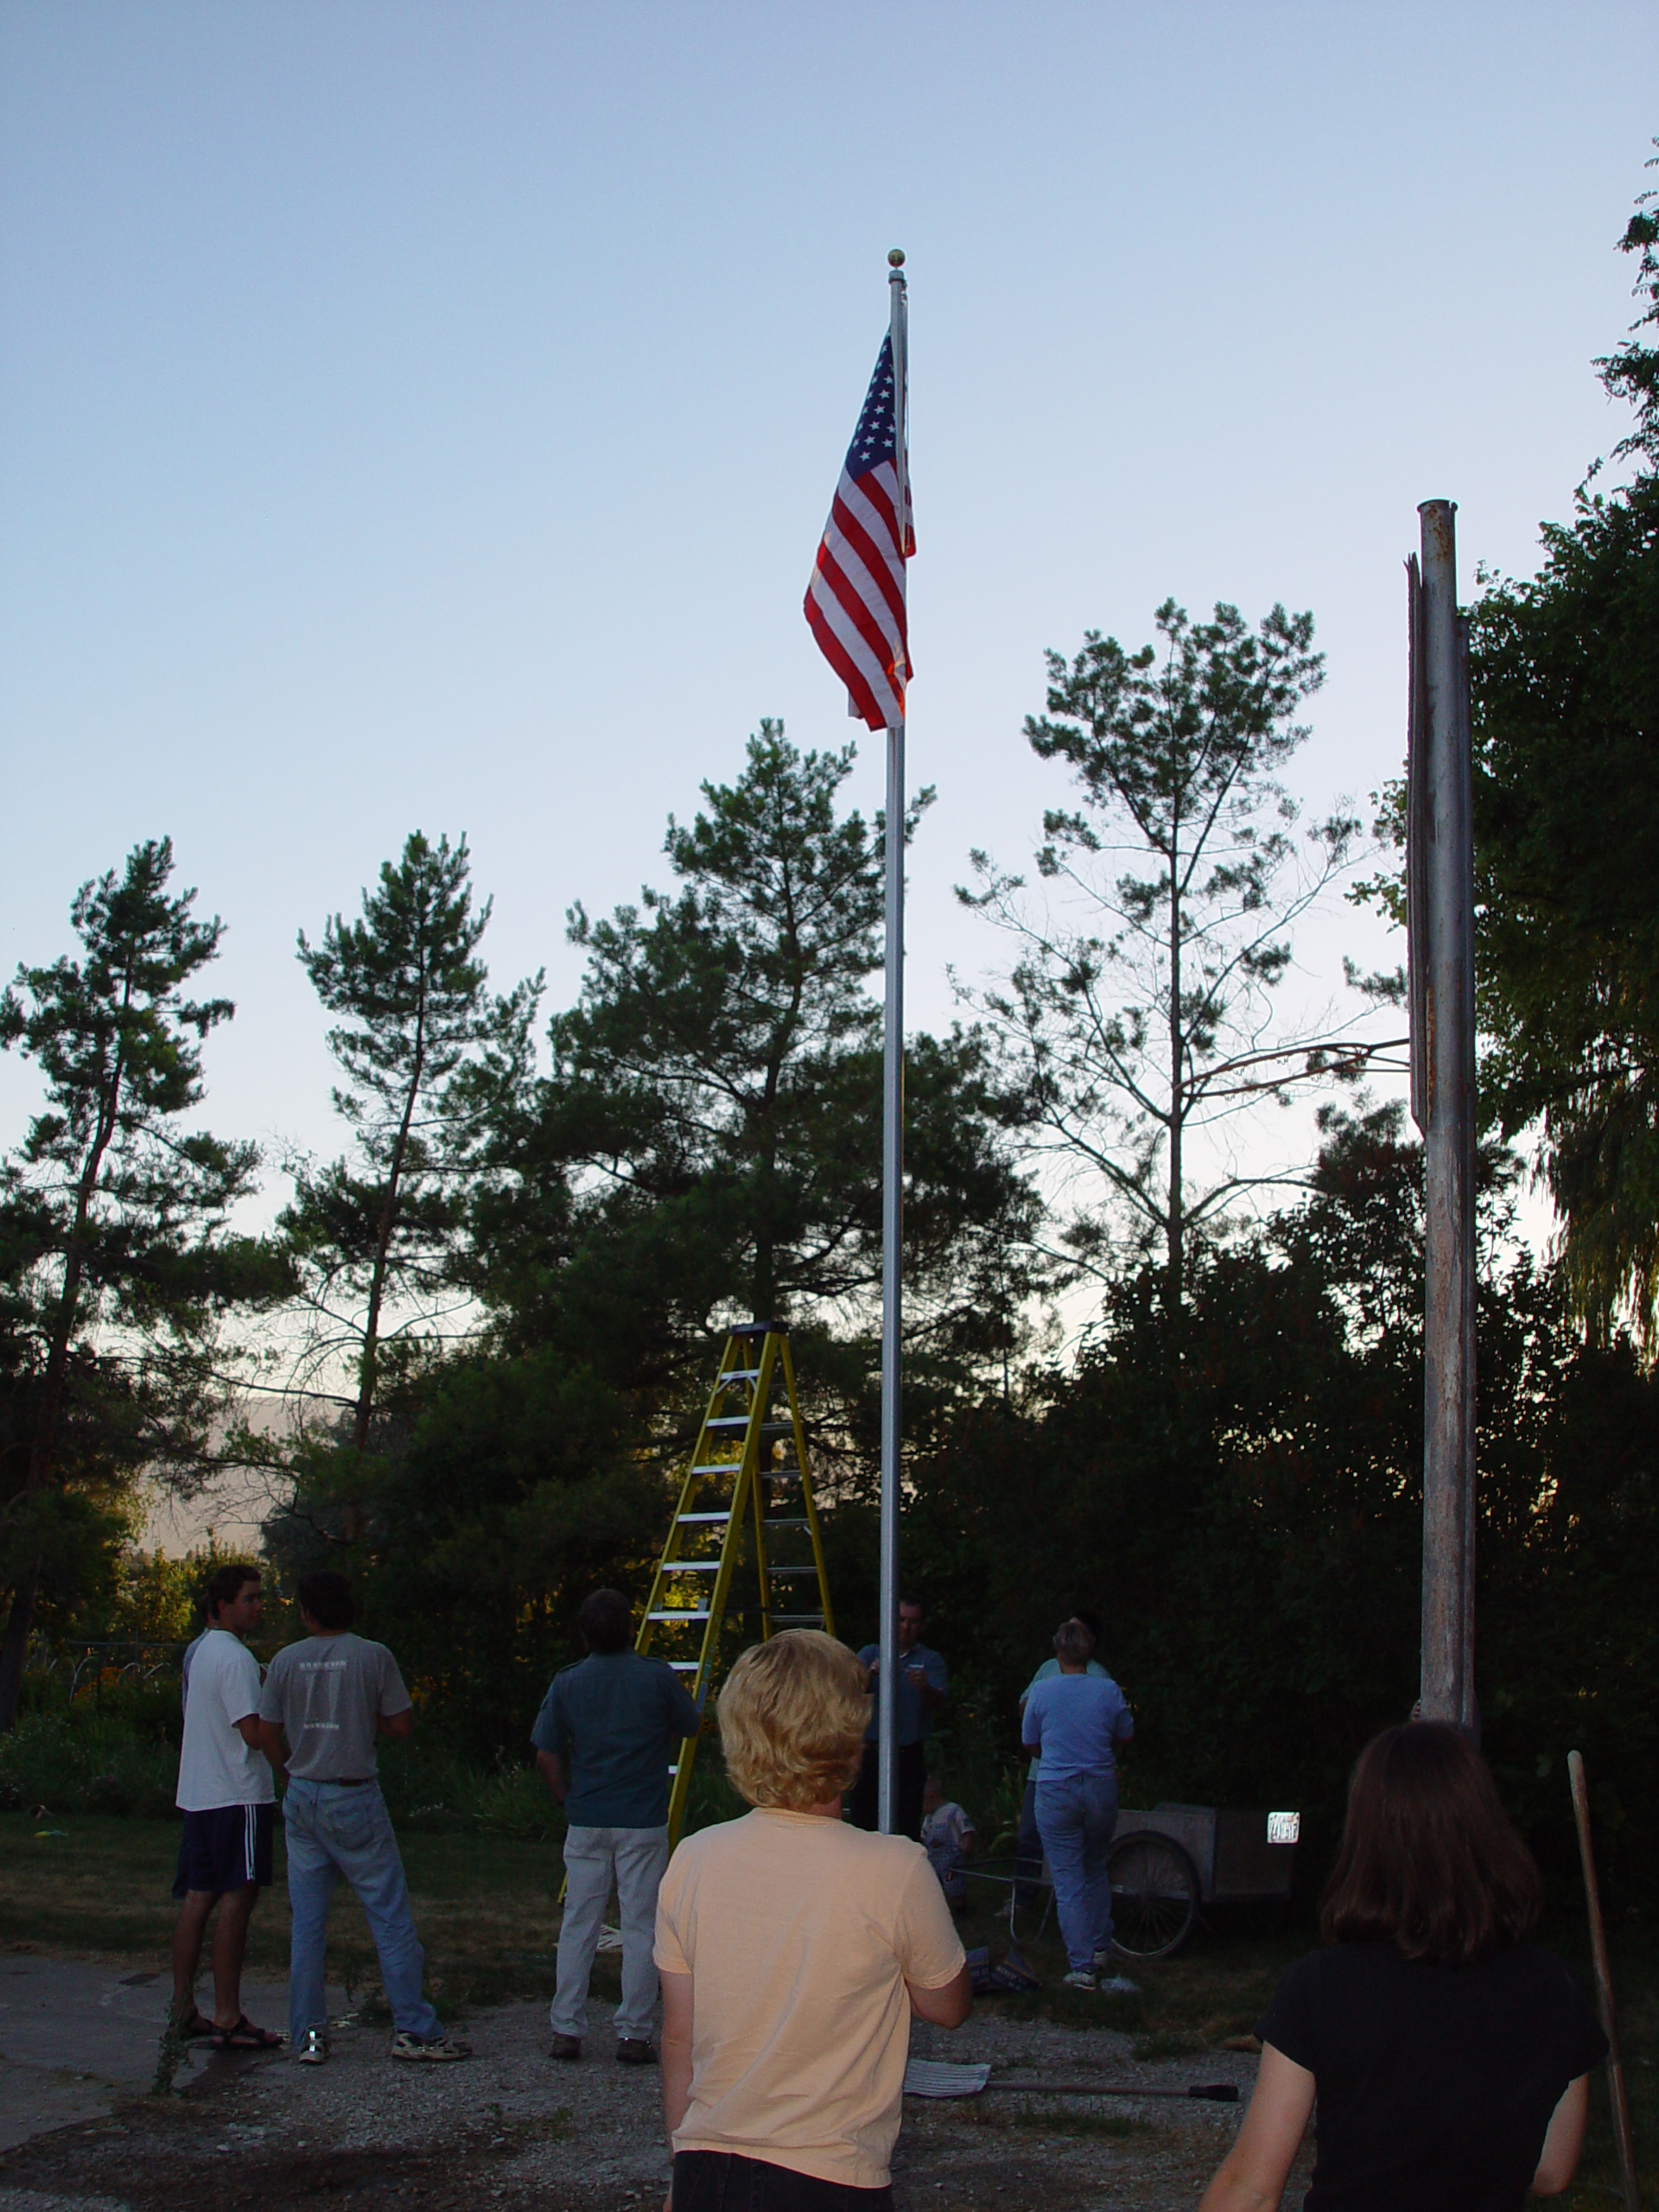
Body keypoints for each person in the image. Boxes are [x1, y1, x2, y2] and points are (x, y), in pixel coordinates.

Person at [1199, 1723, 1607, 2212]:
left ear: (1366, 1837)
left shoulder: (1321, 1988)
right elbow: (1550, 2170)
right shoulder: (1553, 1987)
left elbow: (1253, 2190)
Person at [655, 1629, 973, 2209]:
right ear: (851, 1744)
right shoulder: (894, 1868)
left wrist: (681, 2169)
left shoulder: (693, 1858)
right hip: (829, 2177)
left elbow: (679, 2033)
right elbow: (947, 2006)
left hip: (705, 2167)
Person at [257, 1569, 465, 2065]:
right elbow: (401, 1726)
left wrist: (288, 1772)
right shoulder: (372, 1655)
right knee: (389, 1917)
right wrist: (360, 1711)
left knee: (307, 1926)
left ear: (307, 1612)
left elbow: (266, 1730)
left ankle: (308, 2037)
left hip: (303, 1795)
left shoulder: (285, 1660)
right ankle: (414, 2029)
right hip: (354, 1796)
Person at [531, 1587, 702, 2065]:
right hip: (642, 1819)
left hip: (587, 1817)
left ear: (584, 1634)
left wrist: (567, 1798)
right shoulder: (656, 1677)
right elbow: (690, 1724)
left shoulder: (568, 1683)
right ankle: (633, 2032)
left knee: (578, 1923)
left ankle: (566, 2027)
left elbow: (546, 1752)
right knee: (642, 1925)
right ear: (631, 1628)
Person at [170, 1563, 283, 2051]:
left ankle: (182, 2010)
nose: (259, 1606)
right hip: (237, 1795)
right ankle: (227, 2014)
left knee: (199, 1898)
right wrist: (290, 1744)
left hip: (199, 1793)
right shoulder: (236, 1659)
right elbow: (254, 1734)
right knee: (239, 1897)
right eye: (251, 1598)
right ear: (223, 1605)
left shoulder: (198, 1652)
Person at [1020, 1616, 1135, 1993]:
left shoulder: (1042, 1691)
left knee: (1067, 1877)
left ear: (1058, 1652)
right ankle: (1102, 1947)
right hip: (1100, 1786)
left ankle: (1082, 1967)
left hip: (1055, 1787)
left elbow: (1030, 1743)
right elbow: (1126, 1734)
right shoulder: (1107, 1690)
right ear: (1089, 1651)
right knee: (1095, 1865)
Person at [1014, 1609, 1108, 1906]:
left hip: (1081, 1777)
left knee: (1080, 1847)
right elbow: (1025, 1710)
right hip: (1041, 1772)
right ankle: (1023, 1899)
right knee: (1029, 1836)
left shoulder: (1099, 1679)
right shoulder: (1047, 1670)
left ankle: (1076, 1905)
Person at [849, 1595, 947, 1840]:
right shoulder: (870, 1653)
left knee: (906, 1826)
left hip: (908, 1756)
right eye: (901, 1620)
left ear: (921, 1626)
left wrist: (925, 1687)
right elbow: (847, 1695)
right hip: (871, 1754)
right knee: (862, 1825)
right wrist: (869, 1676)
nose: (906, 1627)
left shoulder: (930, 1661)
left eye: (913, 1622)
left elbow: (940, 1702)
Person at [919, 1776, 976, 1907]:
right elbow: (924, 1836)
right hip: (934, 1858)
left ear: (932, 1797)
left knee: (953, 1882)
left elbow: (967, 1829)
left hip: (951, 1858)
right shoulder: (929, 1819)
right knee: (933, 1883)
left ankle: (960, 1906)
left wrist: (967, 1843)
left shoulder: (953, 1811)